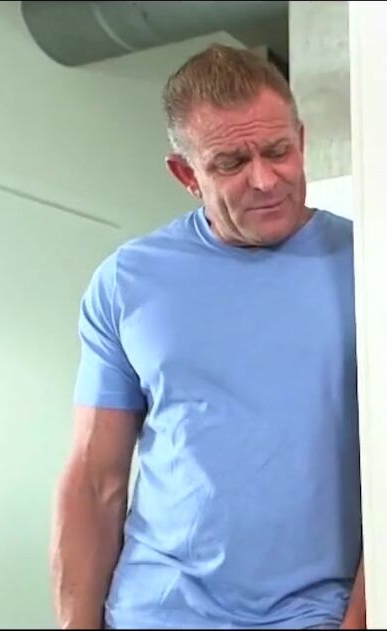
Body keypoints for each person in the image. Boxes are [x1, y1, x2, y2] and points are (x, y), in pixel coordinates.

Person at [50, 44, 365, 629]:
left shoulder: (369, 263)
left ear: (301, 139)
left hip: (311, 614)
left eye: (278, 151)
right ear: (186, 175)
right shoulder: (127, 282)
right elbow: (95, 482)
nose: (265, 180)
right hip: (154, 610)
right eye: (231, 163)